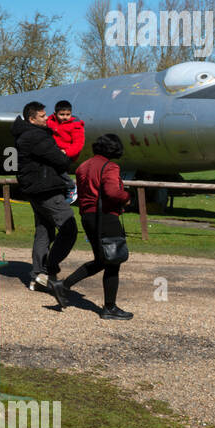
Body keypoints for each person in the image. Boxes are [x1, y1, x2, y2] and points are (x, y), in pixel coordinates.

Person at [51, 133, 133, 320]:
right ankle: (109, 307)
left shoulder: (82, 167)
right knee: (113, 261)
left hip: (87, 216)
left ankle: (63, 286)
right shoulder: (110, 166)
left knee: (102, 260)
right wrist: (127, 197)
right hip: (106, 217)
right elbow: (111, 192)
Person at [11, 101, 76, 294]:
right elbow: (60, 160)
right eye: (42, 116)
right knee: (69, 228)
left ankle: (37, 276)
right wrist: (64, 156)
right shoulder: (36, 136)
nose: (47, 118)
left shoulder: (25, 135)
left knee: (44, 231)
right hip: (46, 190)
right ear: (32, 119)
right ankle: (48, 270)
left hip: (36, 190)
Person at [47, 100, 85, 204]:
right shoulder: (49, 122)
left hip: (68, 154)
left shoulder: (75, 125)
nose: (65, 117)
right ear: (55, 114)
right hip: (54, 151)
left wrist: (66, 152)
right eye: (62, 114)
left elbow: (78, 144)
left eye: (68, 114)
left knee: (56, 166)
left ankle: (71, 187)